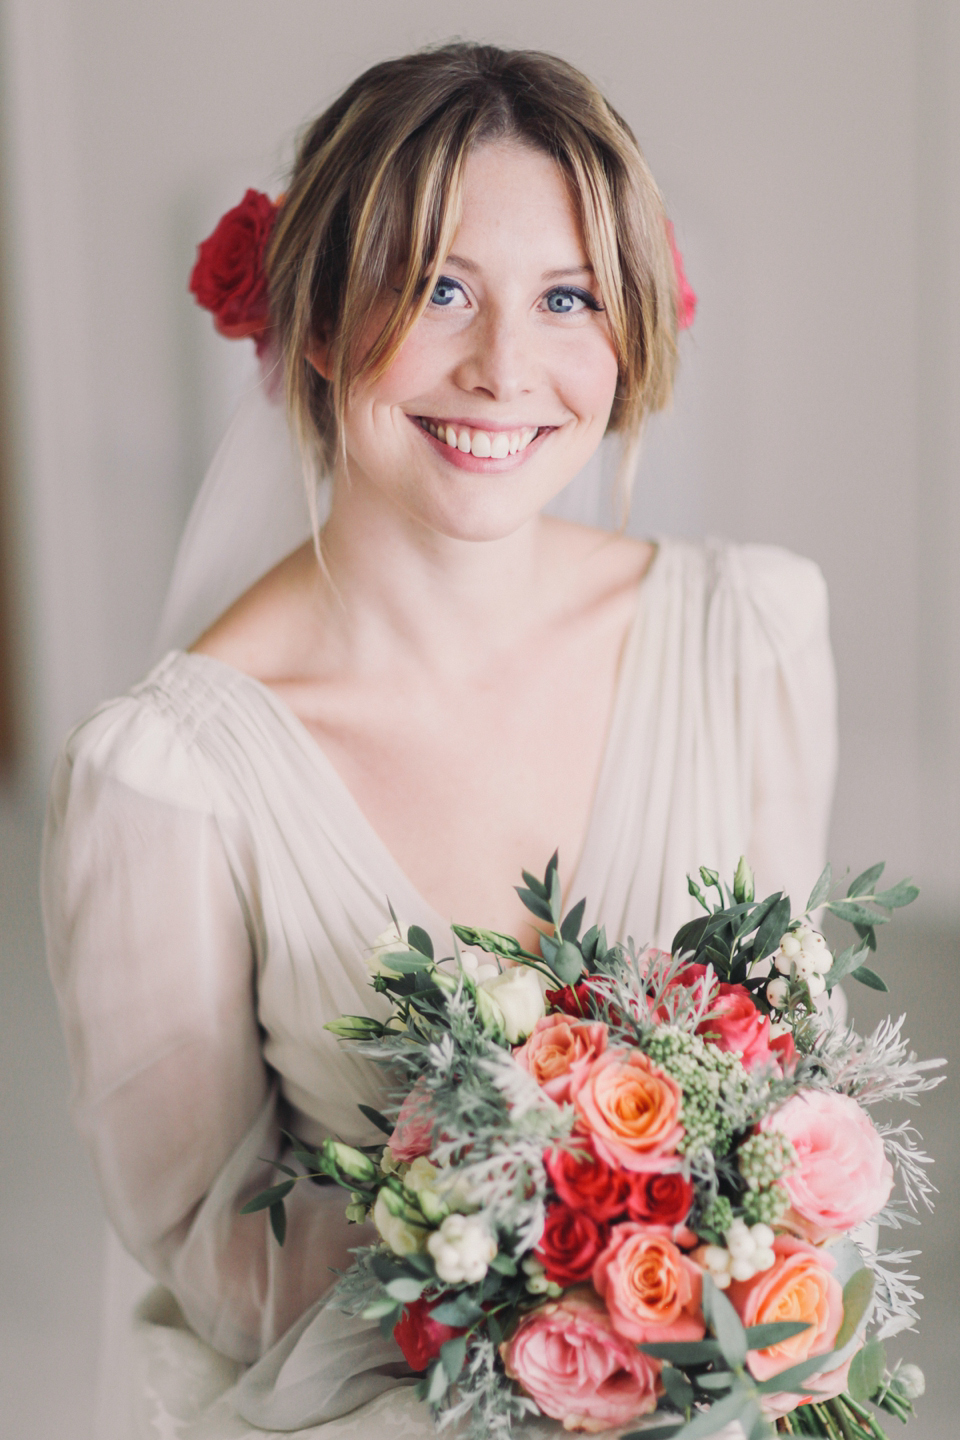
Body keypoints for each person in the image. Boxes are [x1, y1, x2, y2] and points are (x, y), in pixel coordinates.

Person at [41, 41, 836, 1440]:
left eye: (567, 295)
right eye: (440, 288)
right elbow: (210, 1243)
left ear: (631, 330)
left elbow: (783, 1094)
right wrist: (547, 1341)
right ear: (326, 322)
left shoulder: (751, 639)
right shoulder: (163, 782)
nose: (503, 367)